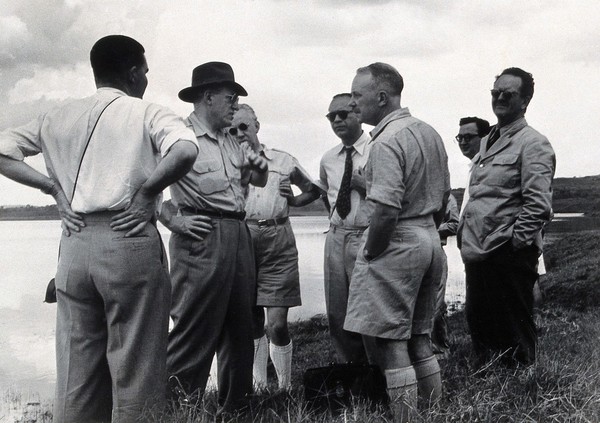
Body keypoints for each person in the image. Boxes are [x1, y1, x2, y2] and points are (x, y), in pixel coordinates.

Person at [0, 35, 199, 422]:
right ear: (132, 72)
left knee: (76, 376)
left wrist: (53, 189)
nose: (146, 78)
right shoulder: (147, 112)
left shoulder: (56, 115)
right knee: (137, 371)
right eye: (144, 71)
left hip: (74, 244)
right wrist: (146, 194)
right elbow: (185, 150)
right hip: (128, 238)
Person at [343, 63, 450, 422]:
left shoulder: (387, 140)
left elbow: (386, 210)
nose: (354, 103)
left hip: (399, 239)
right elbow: (445, 193)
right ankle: (434, 414)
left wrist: (372, 250)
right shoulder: (428, 131)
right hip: (429, 238)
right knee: (420, 335)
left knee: (391, 340)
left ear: (382, 97)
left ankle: (406, 419)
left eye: (358, 95)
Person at [160, 62, 268, 415]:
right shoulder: (176, 136)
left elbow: (257, 180)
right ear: (207, 97)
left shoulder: (231, 140)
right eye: (230, 97)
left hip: (239, 233)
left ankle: (237, 410)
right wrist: (174, 222)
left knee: (241, 330)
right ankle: (177, 412)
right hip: (202, 238)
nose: (235, 104)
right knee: (195, 331)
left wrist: (252, 145)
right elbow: (149, 189)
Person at [458, 67, 556, 367]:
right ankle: (490, 391)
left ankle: (526, 391)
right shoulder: (488, 141)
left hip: (507, 253)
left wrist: (515, 243)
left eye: (508, 93)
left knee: (514, 330)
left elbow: (538, 204)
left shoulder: (533, 143)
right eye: (495, 92)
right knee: (481, 325)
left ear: (525, 101)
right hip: (478, 251)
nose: (499, 97)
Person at [229, 104, 316, 391]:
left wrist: (294, 201)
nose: (239, 133)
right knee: (252, 322)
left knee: (276, 325)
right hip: (243, 238)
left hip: (278, 239)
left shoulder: (282, 160)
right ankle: (262, 388)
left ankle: (286, 388)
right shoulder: (226, 161)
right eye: (232, 129)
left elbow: (313, 190)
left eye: (244, 126)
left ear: (256, 125)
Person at [314, 93, 373, 364]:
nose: (337, 120)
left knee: (369, 308)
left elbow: (397, 195)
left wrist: (366, 187)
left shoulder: (378, 148)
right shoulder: (328, 159)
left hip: (368, 235)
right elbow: (329, 195)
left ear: (359, 114)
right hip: (337, 237)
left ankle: (378, 371)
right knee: (338, 310)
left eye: (343, 114)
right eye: (331, 116)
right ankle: (351, 372)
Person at [431, 193, 459, 361]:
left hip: (436, 251)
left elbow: (455, 224)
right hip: (411, 253)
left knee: (436, 305)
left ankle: (441, 351)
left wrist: (431, 229)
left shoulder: (446, 196)